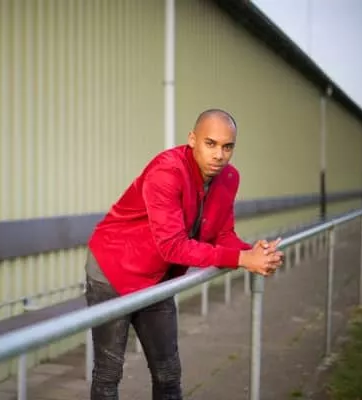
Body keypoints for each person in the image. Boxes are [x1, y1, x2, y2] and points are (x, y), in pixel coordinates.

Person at [84, 108, 284, 400]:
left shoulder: (229, 177)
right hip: (112, 269)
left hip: (157, 277)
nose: (219, 155)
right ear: (192, 139)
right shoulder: (167, 172)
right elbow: (173, 246)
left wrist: (253, 252)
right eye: (210, 143)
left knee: (168, 373)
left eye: (227, 147)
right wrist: (243, 260)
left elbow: (222, 234)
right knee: (108, 374)